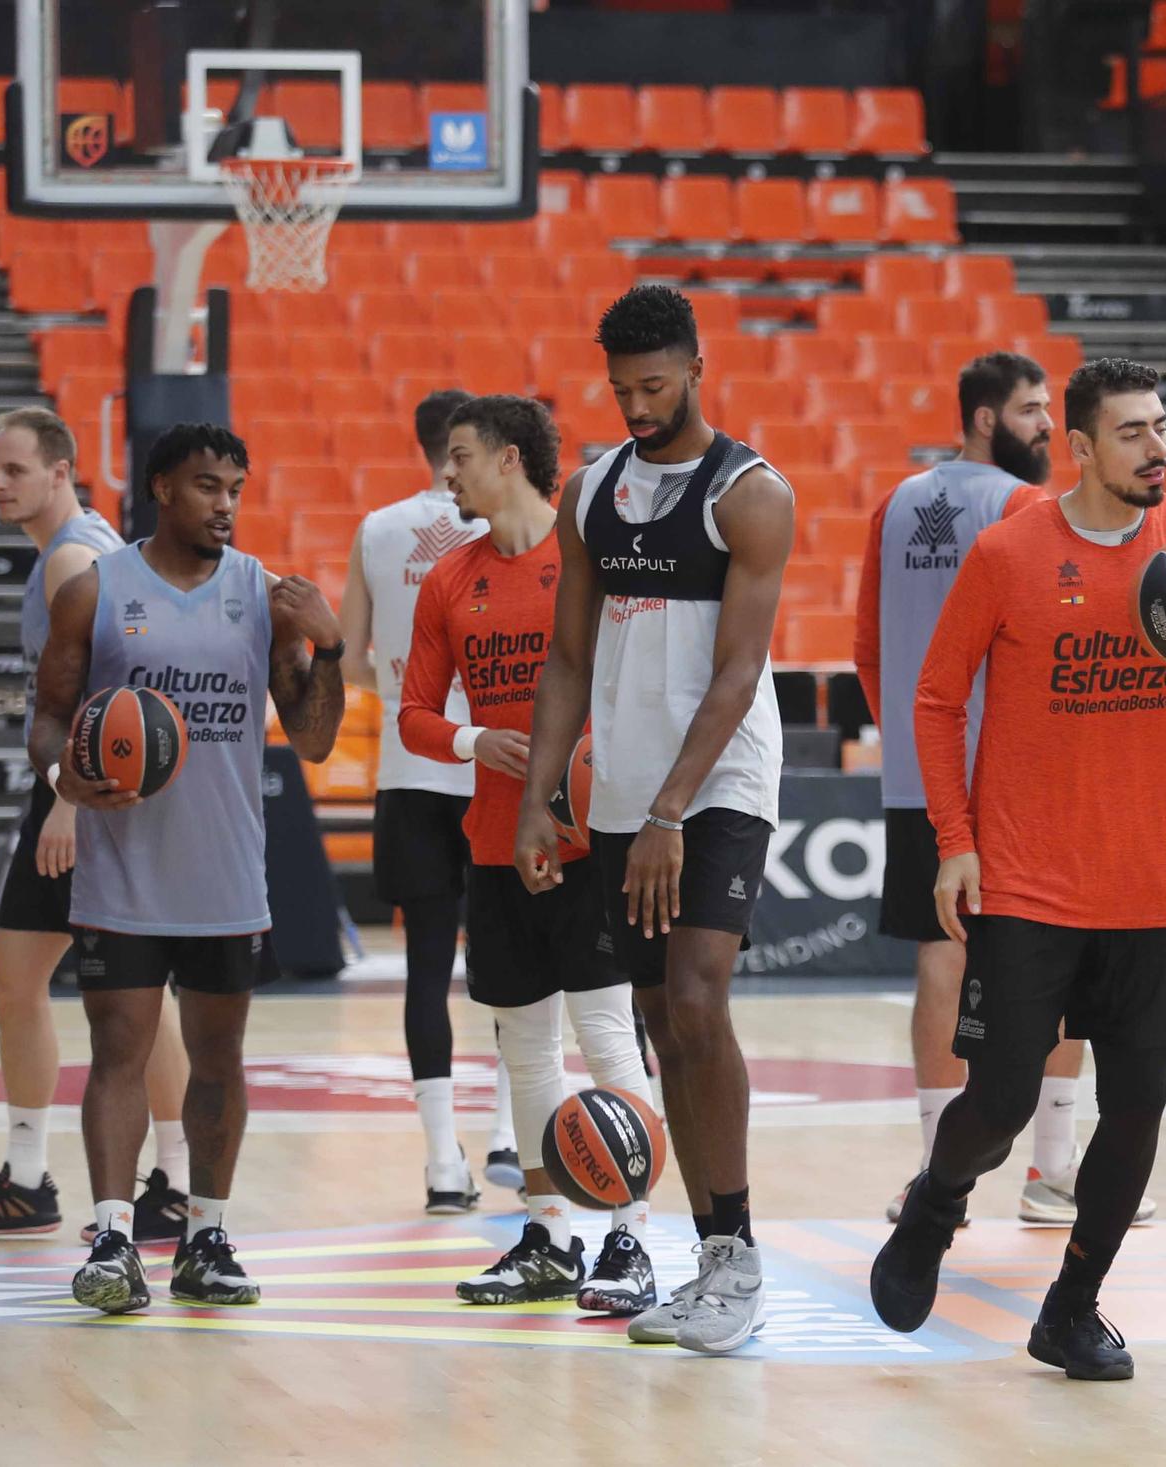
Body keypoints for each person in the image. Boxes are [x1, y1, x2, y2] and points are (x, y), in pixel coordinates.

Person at [868, 357, 1166, 1379]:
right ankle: (935, 1207)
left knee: (1140, 1103)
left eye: (1159, 428)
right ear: (1077, 446)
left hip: (1146, 886)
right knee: (1001, 1099)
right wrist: (954, 842)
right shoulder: (1007, 551)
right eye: (1131, 432)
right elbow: (934, 703)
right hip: (1026, 881)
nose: (1155, 447)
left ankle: (1071, 1306)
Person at [514, 285, 791, 1356]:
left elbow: (736, 671)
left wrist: (675, 807)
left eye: (655, 385)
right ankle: (708, 1255)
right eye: (621, 388)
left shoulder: (750, 494)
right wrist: (544, 793)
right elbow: (569, 660)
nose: (636, 405)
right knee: (659, 1022)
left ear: (695, 367)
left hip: (717, 781)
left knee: (695, 993)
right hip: (625, 791)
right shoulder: (591, 492)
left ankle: (741, 1261)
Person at [30, 423, 346, 1314]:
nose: (226, 506)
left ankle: (205, 1235)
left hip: (225, 875)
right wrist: (69, 779)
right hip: (123, 870)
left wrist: (328, 649)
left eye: (237, 489)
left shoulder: (266, 595)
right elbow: (49, 716)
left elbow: (317, 741)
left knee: (220, 1060)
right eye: (208, 486)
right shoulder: (96, 591)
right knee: (118, 1052)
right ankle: (112, 1239)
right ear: (163, 487)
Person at [857, 352, 1156, 1227]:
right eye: (1031, 411)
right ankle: (1052, 1172)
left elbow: (869, 649)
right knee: (1058, 962)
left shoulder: (893, 505)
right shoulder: (1027, 506)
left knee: (939, 958)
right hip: (1018, 774)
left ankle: (930, 1174)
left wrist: (915, 748)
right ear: (987, 420)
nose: (1042, 428)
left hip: (922, 774)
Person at [399, 394, 659, 1317]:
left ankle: (630, 1239)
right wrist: (478, 745)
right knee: (526, 1053)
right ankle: (547, 1237)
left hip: (588, 842)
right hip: (497, 844)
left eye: (462, 455)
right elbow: (415, 717)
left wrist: (575, 774)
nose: (448, 472)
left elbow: (632, 690)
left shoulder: (585, 560)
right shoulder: (448, 580)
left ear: (511, 458)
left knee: (606, 1038)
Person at [0, 408, 192, 1244]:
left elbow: (109, 688)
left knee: (131, 994)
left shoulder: (73, 554)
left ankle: (171, 1182)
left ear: (60, 468)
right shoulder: (80, 546)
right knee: (20, 978)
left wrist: (71, 801)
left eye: (14, 469)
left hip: (89, 788)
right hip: (85, 780)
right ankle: (34, 1176)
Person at [339, 387, 524, 1211]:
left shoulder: (378, 528)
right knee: (513, 958)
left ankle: (442, 1163)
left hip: (411, 773)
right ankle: (511, 1136)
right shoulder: (498, 522)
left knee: (425, 972)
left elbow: (347, 662)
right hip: (494, 769)